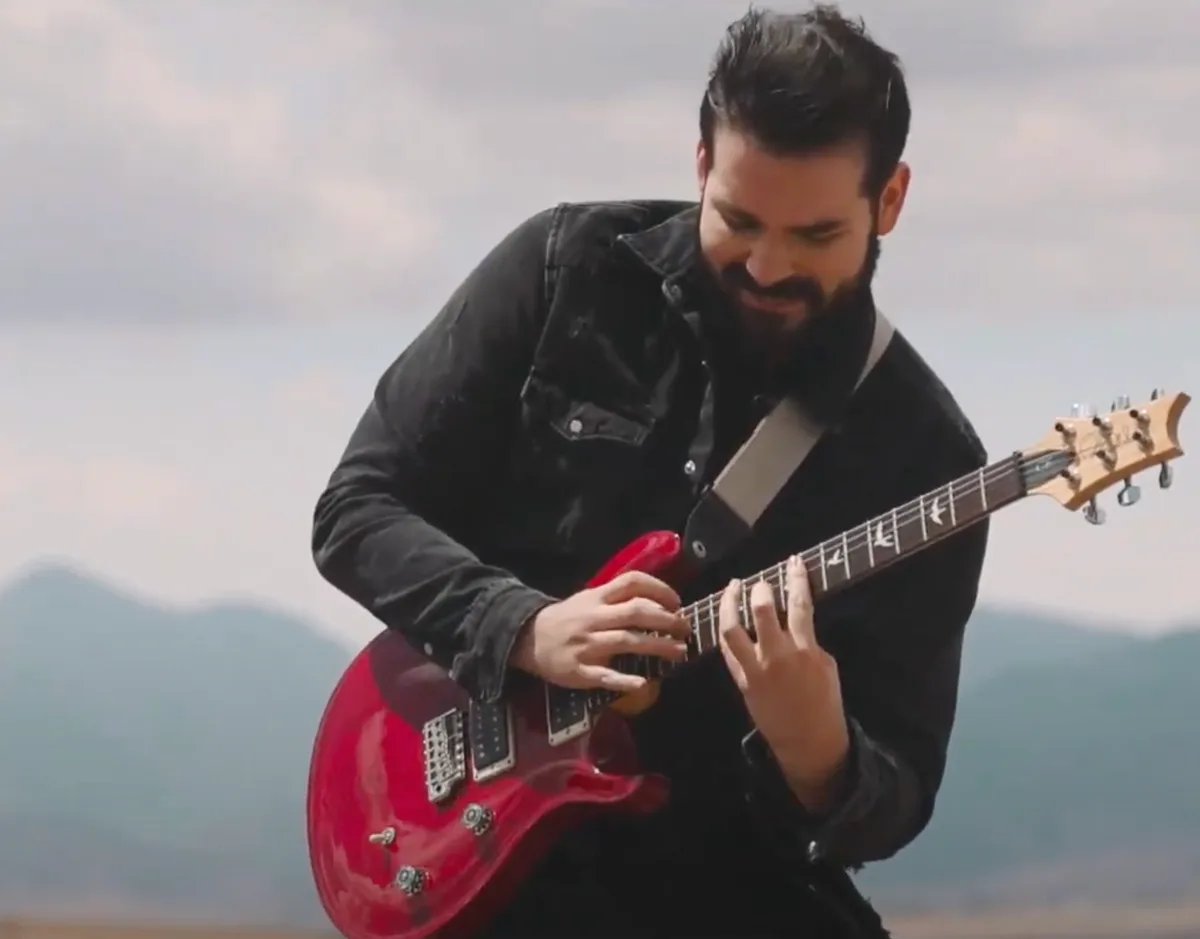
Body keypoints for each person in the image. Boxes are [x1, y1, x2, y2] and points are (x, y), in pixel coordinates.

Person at [312, 5, 990, 937]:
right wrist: (522, 626)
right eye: (739, 220)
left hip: (725, 889)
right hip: (490, 873)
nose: (767, 265)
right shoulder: (564, 270)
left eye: (815, 236)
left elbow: (897, 795)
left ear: (892, 200)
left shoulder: (928, 458)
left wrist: (819, 751)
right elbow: (356, 509)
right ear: (702, 162)